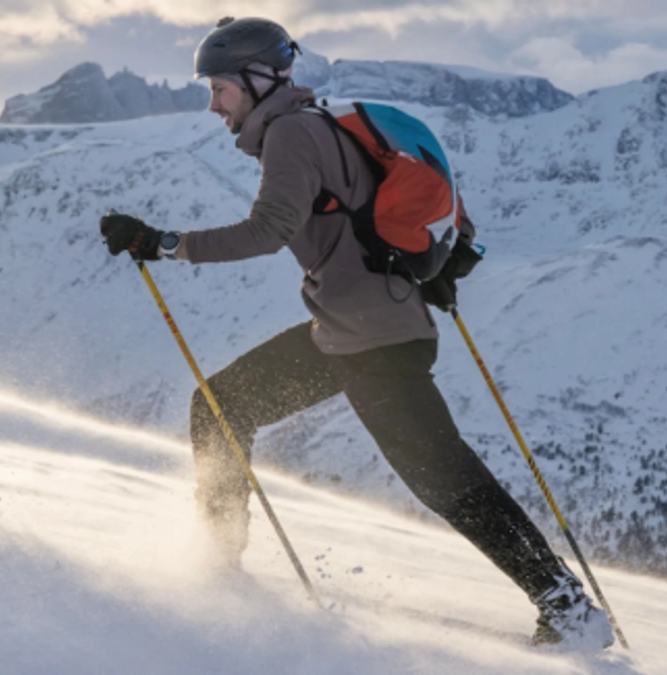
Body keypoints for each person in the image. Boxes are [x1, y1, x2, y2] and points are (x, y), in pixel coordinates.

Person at [99, 16, 614, 650]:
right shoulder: (322, 124)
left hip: (372, 341)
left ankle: (564, 605)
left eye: (220, 88)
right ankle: (218, 562)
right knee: (220, 405)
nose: (213, 104)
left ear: (258, 81)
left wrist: (163, 243)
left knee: (443, 478)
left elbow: (267, 231)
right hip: (351, 333)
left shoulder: (291, 133)